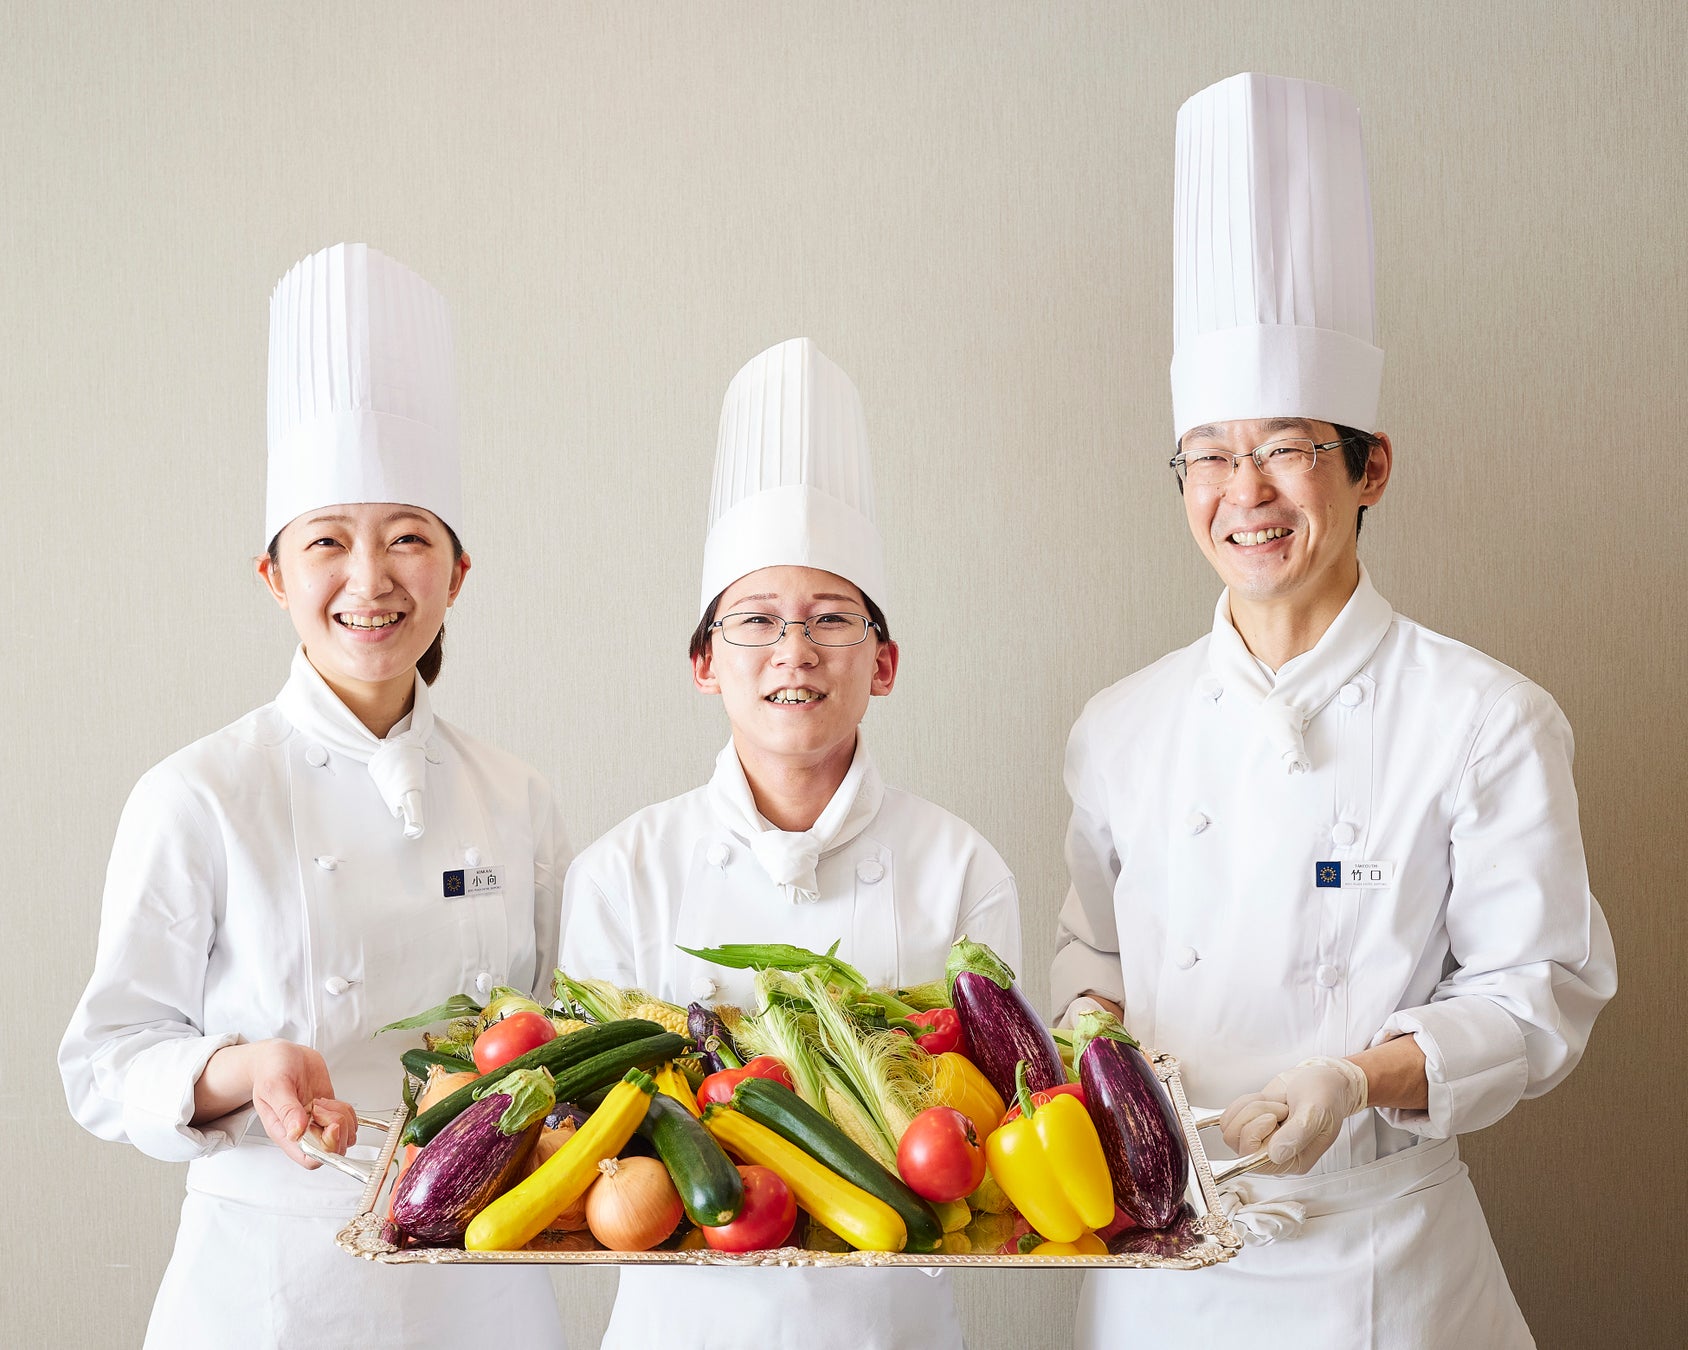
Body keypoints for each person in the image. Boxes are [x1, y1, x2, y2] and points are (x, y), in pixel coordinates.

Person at [1051, 74, 1616, 1348]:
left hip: (1379, 1267)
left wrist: (1351, 1081)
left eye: (1285, 447)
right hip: (1156, 1269)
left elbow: (1535, 997)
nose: (1242, 492)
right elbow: (1094, 957)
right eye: (1208, 454)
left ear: (1369, 468)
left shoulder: (1485, 718)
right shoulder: (1117, 728)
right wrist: (1092, 1037)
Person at [58, 244, 568, 1350]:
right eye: (327, 541)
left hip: (484, 1285)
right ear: (275, 575)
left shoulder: (519, 797)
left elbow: (554, 1040)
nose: (369, 579)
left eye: (408, 538)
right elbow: (105, 1062)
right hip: (269, 1288)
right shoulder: (197, 793)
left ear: (456, 573)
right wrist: (240, 1069)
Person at [562, 336, 1022, 1350]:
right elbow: (595, 1149)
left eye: (831, 620)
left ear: (884, 663)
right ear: (703, 662)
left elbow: (992, 1128)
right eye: (756, 622)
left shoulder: (963, 869)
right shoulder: (618, 874)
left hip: (895, 1327)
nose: (795, 653)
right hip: (680, 1331)